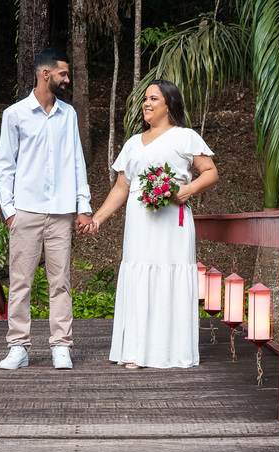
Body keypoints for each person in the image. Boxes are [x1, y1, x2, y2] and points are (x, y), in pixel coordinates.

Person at [87, 80, 218, 369]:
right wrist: (97, 218)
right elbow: (122, 187)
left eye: (153, 98)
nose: (146, 103)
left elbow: (210, 171)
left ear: (169, 104)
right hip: (139, 223)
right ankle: (136, 350)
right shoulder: (133, 142)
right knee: (139, 274)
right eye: (145, 98)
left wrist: (188, 190)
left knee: (169, 275)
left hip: (173, 222)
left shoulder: (185, 137)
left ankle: (169, 351)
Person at [0, 48, 94, 370]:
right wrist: (9, 210)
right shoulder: (15, 114)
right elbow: (5, 166)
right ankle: (18, 347)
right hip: (26, 210)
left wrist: (84, 206)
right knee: (21, 281)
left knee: (61, 281)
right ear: (45, 74)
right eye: (63, 74)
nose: (67, 79)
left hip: (62, 212)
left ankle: (60, 346)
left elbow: (77, 162)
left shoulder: (69, 114)